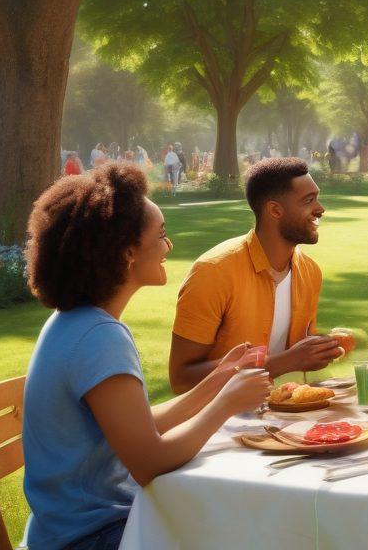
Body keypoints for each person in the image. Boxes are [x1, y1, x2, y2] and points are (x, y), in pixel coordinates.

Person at [22, 164, 270, 550]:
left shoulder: (75, 322)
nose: (169, 247)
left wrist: (218, 379)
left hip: (76, 529)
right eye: (162, 236)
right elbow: (150, 462)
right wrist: (227, 403)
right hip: (92, 538)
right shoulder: (98, 336)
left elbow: (138, 425)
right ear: (127, 254)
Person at [168, 157, 344, 393]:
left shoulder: (310, 272)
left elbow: (298, 353)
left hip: (281, 416)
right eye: (309, 200)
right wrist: (283, 362)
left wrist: (322, 349)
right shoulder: (213, 272)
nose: (320, 208)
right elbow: (181, 378)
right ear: (274, 210)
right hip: (219, 423)